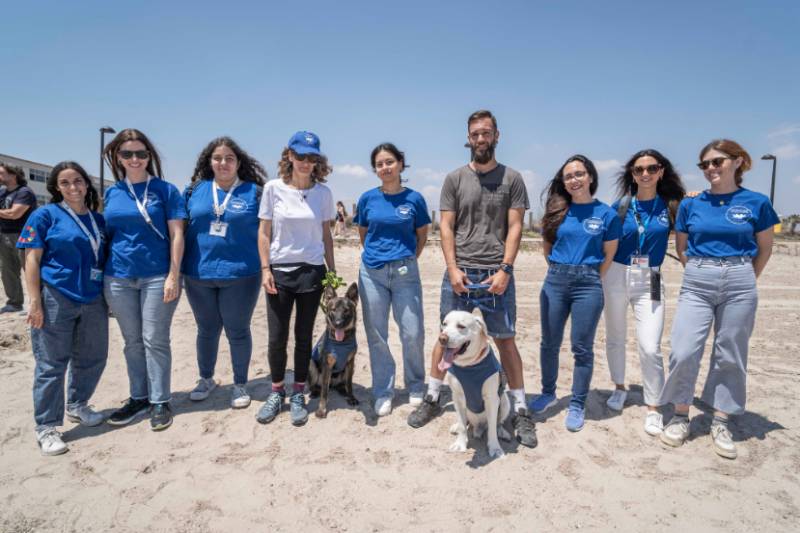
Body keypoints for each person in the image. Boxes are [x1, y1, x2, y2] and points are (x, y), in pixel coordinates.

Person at [406, 110, 538, 448]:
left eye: (486, 133)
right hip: (460, 273)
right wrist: (452, 268)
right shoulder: (453, 179)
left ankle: (520, 408)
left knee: (504, 339)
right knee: (445, 338)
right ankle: (434, 397)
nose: (481, 139)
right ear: (468, 138)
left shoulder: (512, 179)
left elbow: (515, 226)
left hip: (496, 275)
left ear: (496, 136)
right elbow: (446, 226)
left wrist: (506, 269)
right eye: (475, 134)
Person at [659, 139, 778, 459]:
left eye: (717, 162)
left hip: (740, 279)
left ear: (738, 162)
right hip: (698, 278)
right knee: (683, 350)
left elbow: (765, 248)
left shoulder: (757, 202)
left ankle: (720, 419)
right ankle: (681, 414)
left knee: (730, 353)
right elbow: (682, 248)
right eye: (705, 164)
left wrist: (744, 277)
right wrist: (703, 271)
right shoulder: (691, 204)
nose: (710, 168)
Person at [17, 162, 108, 456]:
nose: (73, 187)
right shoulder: (44, 215)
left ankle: (78, 405)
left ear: (87, 184)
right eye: (66, 183)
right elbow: (31, 259)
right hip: (56, 296)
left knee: (93, 356)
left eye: (78, 181)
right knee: (52, 364)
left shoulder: (97, 219)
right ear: (56, 187)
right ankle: (46, 426)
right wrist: (34, 301)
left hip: (92, 298)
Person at [102, 129, 186, 431]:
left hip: (158, 276)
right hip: (118, 278)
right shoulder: (112, 193)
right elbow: (107, 237)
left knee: (154, 339)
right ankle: (139, 397)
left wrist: (173, 275)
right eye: (127, 154)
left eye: (141, 153)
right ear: (118, 157)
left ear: (149, 156)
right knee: (132, 342)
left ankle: (160, 400)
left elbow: (177, 234)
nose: (134, 159)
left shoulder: (166, 190)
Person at [530, 155, 620, 432]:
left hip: (588, 284)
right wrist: (561, 270)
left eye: (579, 174)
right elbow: (547, 248)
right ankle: (548, 393)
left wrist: (588, 275)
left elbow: (609, 254)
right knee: (549, 342)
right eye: (568, 176)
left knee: (582, 347)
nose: (574, 180)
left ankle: (578, 402)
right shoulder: (557, 212)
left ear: (591, 177)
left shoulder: (607, 214)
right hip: (555, 280)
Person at [603, 150, 685, 436]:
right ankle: (619, 387)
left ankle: (653, 406)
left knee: (650, 346)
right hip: (615, 274)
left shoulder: (673, 206)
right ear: (632, 174)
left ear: (661, 171)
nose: (646, 174)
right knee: (615, 337)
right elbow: (604, 239)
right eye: (639, 170)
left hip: (650, 276)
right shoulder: (621, 206)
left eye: (652, 168)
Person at [256, 131, 335, 427]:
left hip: (313, 272)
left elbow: (326, 236)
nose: (305, 162)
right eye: (300, 156)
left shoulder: (324, 193)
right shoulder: (273, 188)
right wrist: (266, 270)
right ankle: (277, 392)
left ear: (318, 161)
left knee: (304, 337)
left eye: (311, 157)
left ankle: (299, 391)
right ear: (289, 156)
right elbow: (264, 233)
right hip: (280, 272)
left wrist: (332, 273)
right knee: (277, 338)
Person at [183, 137, 267, 409]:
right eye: (217, 158)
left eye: (229, 158)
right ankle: (206, 379)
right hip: (198, 273)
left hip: (241, 275)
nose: (223, 163)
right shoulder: (195, 190)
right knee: (206, 329)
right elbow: (179, 229)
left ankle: (240, 384)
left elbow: (268, 233)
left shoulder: (254, 192)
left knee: (237, 330)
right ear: (210, 162)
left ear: (238, 163)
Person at [355, 143, 430, 416]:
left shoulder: (415, 199)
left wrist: (407, 258)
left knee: (412, 331)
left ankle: (415, 385)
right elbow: (364, 233)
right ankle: (383, 391)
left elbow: (421, 234)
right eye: (379, 164)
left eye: (390, 162)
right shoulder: (367, 199)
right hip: (371, 273)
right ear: (375, 169)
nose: (385, 167)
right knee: (377, 335)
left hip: (405, 273)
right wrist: (380, 256)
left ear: (400, 164)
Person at [0, 162, 37, 313]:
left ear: (13, 175)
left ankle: (38, 302)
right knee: (7, 270)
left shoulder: (24, 192)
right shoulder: (2, 192)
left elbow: (14, 214)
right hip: (4, 234)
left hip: (24, 235)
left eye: (1, 173)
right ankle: (14, 303)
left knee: (29, 269)